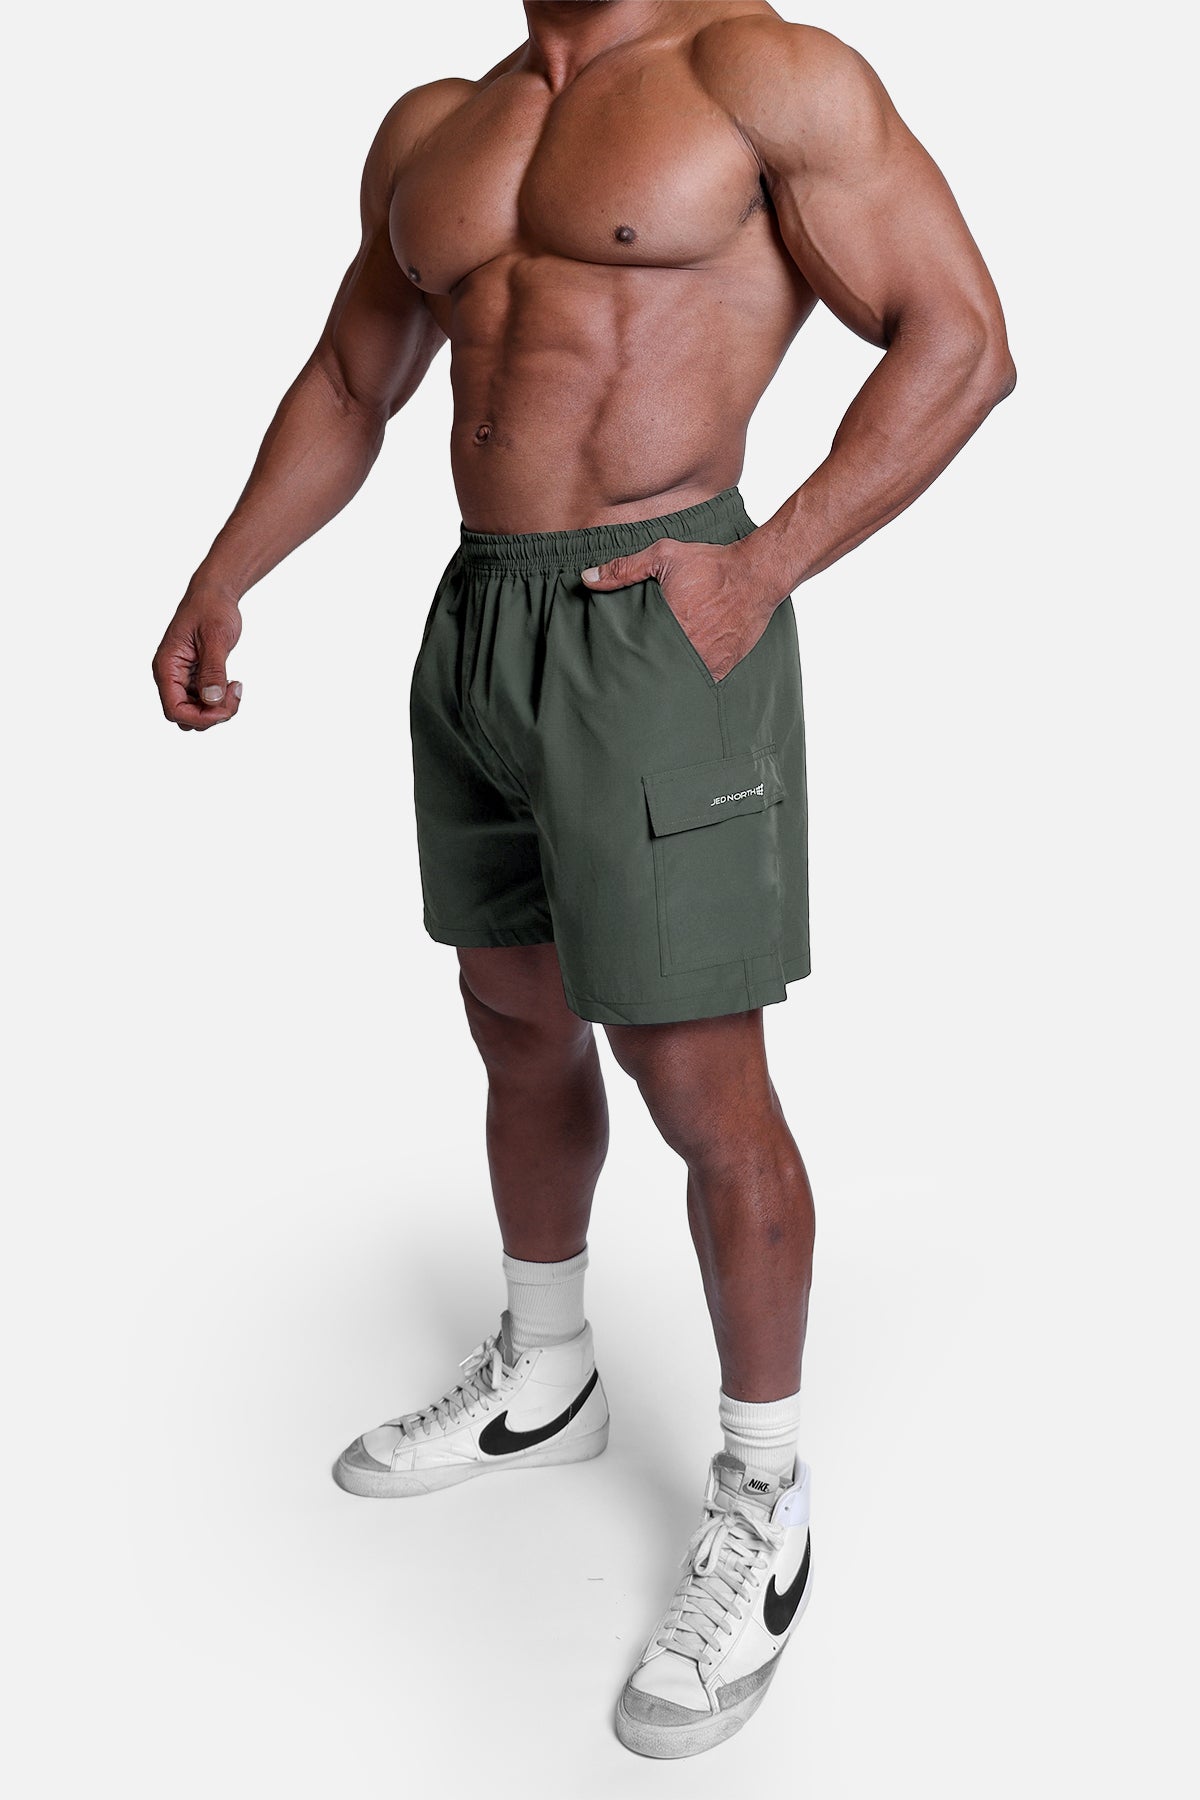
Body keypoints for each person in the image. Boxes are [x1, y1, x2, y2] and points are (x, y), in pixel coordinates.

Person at [152, 0, 1014, 1759]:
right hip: (478, 613)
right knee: (513, 1015)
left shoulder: (760, 75)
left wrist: (759, 569)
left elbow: (963, 341)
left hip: (657, 613)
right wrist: (222, 575)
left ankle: (763, 1496)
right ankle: (545, 1373)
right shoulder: (437, 123)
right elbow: (354, 381)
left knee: (698, 1074)